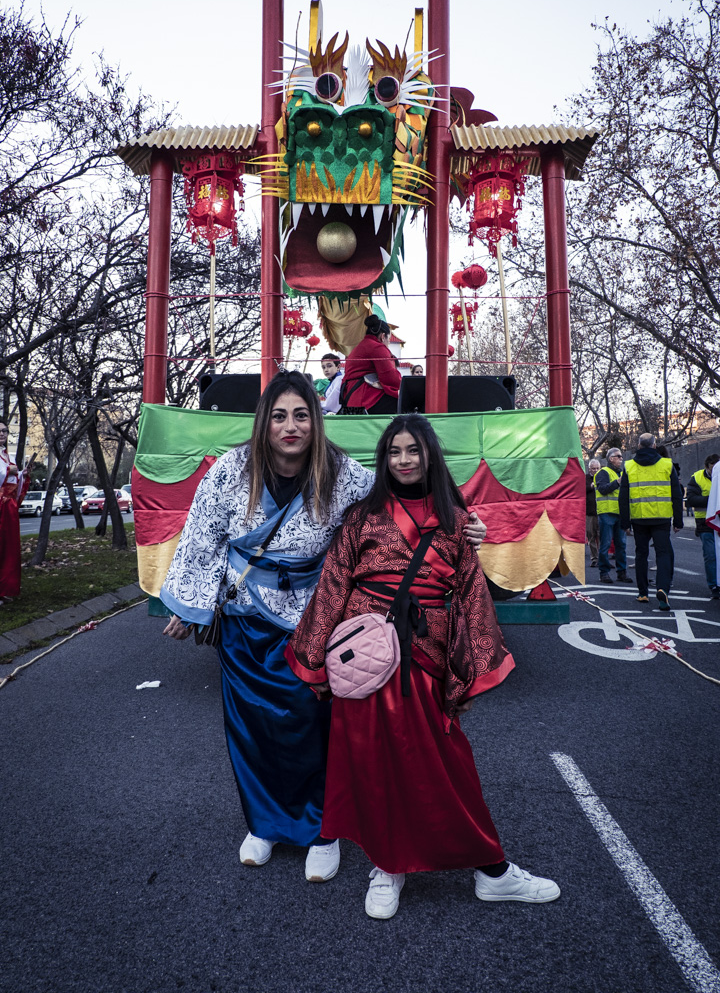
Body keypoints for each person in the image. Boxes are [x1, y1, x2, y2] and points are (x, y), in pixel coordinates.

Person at [160, 374, 486, 883]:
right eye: (279, 416)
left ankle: (322, 831)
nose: (290, 426)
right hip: (245, 616)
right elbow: (203, 536)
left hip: (314, 619)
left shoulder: (343, 474)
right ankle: (264, 825)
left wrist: (463, 522)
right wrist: (189, 606)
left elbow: (400, 496)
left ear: (316, 420)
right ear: (264, 422)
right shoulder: (230, 471)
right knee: (251, 728)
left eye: (301, 415)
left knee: (312, 727)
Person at [286, 414, 560, 919]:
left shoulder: (458, 520)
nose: (404, 460)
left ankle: (493, 870)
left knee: (445, 764)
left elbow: (471, 594)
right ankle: (387, 866)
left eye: (413, 450)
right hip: (365, 658)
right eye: (394, 451)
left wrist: (467, 670)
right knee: (371, 765)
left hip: (425, 656)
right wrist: (316, 656)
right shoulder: (361, 517)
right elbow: (334, 584)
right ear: (383, 459)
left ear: (430, 454)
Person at [619, 434, 683, 610]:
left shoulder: (629, 466)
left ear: (639, 446)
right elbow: (677, 495)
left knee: (641, 554)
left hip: (639, 518)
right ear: (655, 445)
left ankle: (643, 593)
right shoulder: (667, 464)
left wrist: (625, 523)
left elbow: (623, 497)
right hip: (661, 518)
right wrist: (678, 521)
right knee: (663, 554)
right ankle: (663, 588)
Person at [0, 419, 34, 603]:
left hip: (8, 508)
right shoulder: (6, 461)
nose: (2, 434)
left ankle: (4, 588)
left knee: (8, 549)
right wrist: (8, 471)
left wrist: (22, 474)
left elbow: (13, 482)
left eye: (4, 431)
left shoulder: (9, 457)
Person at [341, 314, 401, 414]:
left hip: (351, 398)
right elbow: (390, 377)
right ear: (383, 336)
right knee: (407, 403)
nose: (388, 344)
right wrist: (405, 386)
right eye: (389, 340)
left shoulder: (360, 347)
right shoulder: (377, 347)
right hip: (366, 399)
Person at [685, 453, 720, 600]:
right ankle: (714, 585)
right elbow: (691, 499)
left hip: (718, 522)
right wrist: (713, 500)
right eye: (712, 469)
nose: (714, 471)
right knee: (711, 555)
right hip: (705, 523)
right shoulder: (697, 478)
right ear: (707, 467)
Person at [595, 448, 631, 585]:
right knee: (605, 544)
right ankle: (604, 573)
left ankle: (621, 572)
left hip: (620, 513)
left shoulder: (621, 473)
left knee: (621, 544)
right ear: (611, 458)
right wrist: (618, 482)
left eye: (621, 456)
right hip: (607, 513)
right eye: (618, 456)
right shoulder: (602, 473)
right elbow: (603, 489)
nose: (621, 459)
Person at [585, 457, 601, 567]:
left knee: (601, 536)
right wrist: (591, 486)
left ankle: (602, 558)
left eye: (597, 468)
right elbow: (581, 489)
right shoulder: (585, 478)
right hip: (589, 512)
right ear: (589, 468)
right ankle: (594, 558)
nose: (595, 470)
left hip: (601, 511)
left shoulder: (603, 477)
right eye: (593, 468)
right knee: (591, 536)